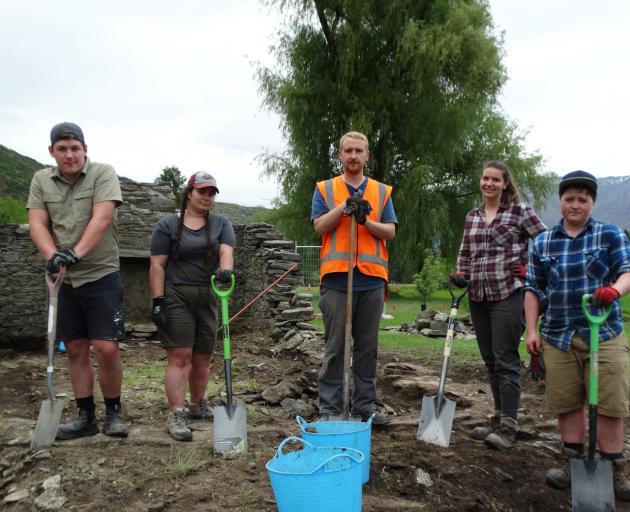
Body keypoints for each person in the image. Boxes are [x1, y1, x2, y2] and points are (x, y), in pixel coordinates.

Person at [524, 170, 630, 499]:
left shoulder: (610, 235)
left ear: (592, 203)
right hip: (557, 335)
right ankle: (572, 460)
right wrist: (531, 329)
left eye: (583, 199)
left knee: (611, 402)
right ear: (561, 202)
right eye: (570, 198)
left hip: (605, 332)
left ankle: (614, 467)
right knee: (567, 401)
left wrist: (614, 290)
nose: (575, 204)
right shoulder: (542, 242)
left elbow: (627, 272)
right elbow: (532, 290)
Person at [27, 122, 127, 439]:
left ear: (85, 149)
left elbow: (103, 217)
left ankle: (114, 411)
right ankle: (86, 416)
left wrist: (76, 253)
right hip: (63, 280)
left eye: (75, 148)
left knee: (106, 348)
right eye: (62, 149)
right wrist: (53, 256)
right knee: (74, 348)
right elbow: (38, 223)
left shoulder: (102, 174)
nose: (69, 155)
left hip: (101, 274)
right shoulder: (41, 180)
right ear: (52, 151)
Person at [452, 160, 546, 451]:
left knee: (505, 360)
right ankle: (497, 415)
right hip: (478, 296)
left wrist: (530, 269)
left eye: (495, 179)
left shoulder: (520, 211)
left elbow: (546, 242)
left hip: (508, 293)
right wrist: (461, 273)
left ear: (505, 183)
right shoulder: (473, 216)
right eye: (485, 179)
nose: (489, 184)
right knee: (490, 360)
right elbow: (465, 251)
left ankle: (509, 425)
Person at [311, 131, 397, 426]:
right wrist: (344, 208)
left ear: (367, 155)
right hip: (336, 280)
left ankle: (364, 407)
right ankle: (330, 408)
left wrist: (365, 221)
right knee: (335, 346)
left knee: (366, 348)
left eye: (358, 151)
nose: (353, 156)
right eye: (347, 150)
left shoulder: (381, 191)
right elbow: (320, 226)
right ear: (340, 155)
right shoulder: (325, 189)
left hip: (371, 280)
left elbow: (390, 232)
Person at [149, 172, 235, 442]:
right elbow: (157, 265)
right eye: (201, 192)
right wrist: (158, 301)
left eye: (211, 193)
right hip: (177, 295)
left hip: (208, 295)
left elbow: (226, 252)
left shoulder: (221, 223)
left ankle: (198, 404)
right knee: (181, 356)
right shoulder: (168, 225)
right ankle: (176, 412)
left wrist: (225, 271)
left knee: (203, 356)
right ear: (189, 193)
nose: (207, 197)